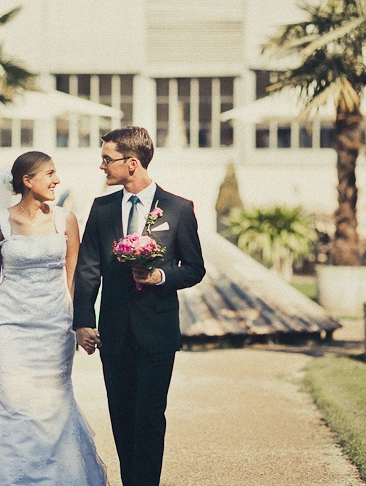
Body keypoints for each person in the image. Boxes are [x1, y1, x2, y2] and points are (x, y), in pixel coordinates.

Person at [0, 151, 107, 485]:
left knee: (52, 404)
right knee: (10, 403)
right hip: (10, 328)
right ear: (28, 180)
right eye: (50, 174)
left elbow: (75, 277)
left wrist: (82, 323)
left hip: (55, 328)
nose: (57, 181)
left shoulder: (65, 219)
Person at [73, 126, 205, 486]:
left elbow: (194, 269)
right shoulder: (101, 209)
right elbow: (88, 270)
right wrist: (83, 321)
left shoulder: (178, 209)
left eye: (107, 159)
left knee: (149, 418)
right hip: (114, 333)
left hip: (157, 332)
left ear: (132, 163)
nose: (102, 166)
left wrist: (160, 277)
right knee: (121, 417)